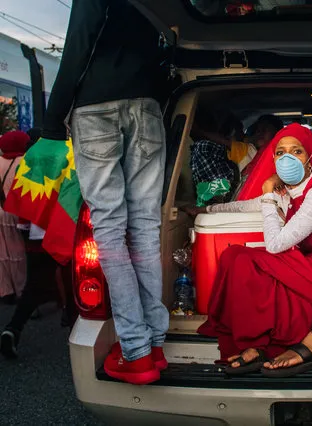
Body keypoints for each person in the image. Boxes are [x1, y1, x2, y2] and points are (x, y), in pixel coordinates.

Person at [41, 0, 171, 385]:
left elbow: (79, 42)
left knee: (111, 230)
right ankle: (156, 341)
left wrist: (52, 123)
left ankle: (136, 350)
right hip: (146, 104)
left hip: (96, 105)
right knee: (146, 228)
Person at [193, 123, 312, 377]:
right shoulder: (287, 193)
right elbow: (242, 207)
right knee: (233, 255)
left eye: (297, 151)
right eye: (280, 153)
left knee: (253, 260)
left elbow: (275, 245)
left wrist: (269, 195)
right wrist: (203, 211)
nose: (287, 158)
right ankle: (257, 342)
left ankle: (310, 343)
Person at [0, 225, 72, 359]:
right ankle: (75, 334)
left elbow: (23, 220)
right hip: (64, 229)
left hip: (36, 235)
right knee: (70, 280)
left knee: (33, 286)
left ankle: (13, 328)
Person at [0, 131, 28, 303]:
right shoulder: (24, 162)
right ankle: (21, 290)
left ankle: (5, 290)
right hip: (17, 213)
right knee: (19, 253)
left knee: (2, 252)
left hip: (0, 210)